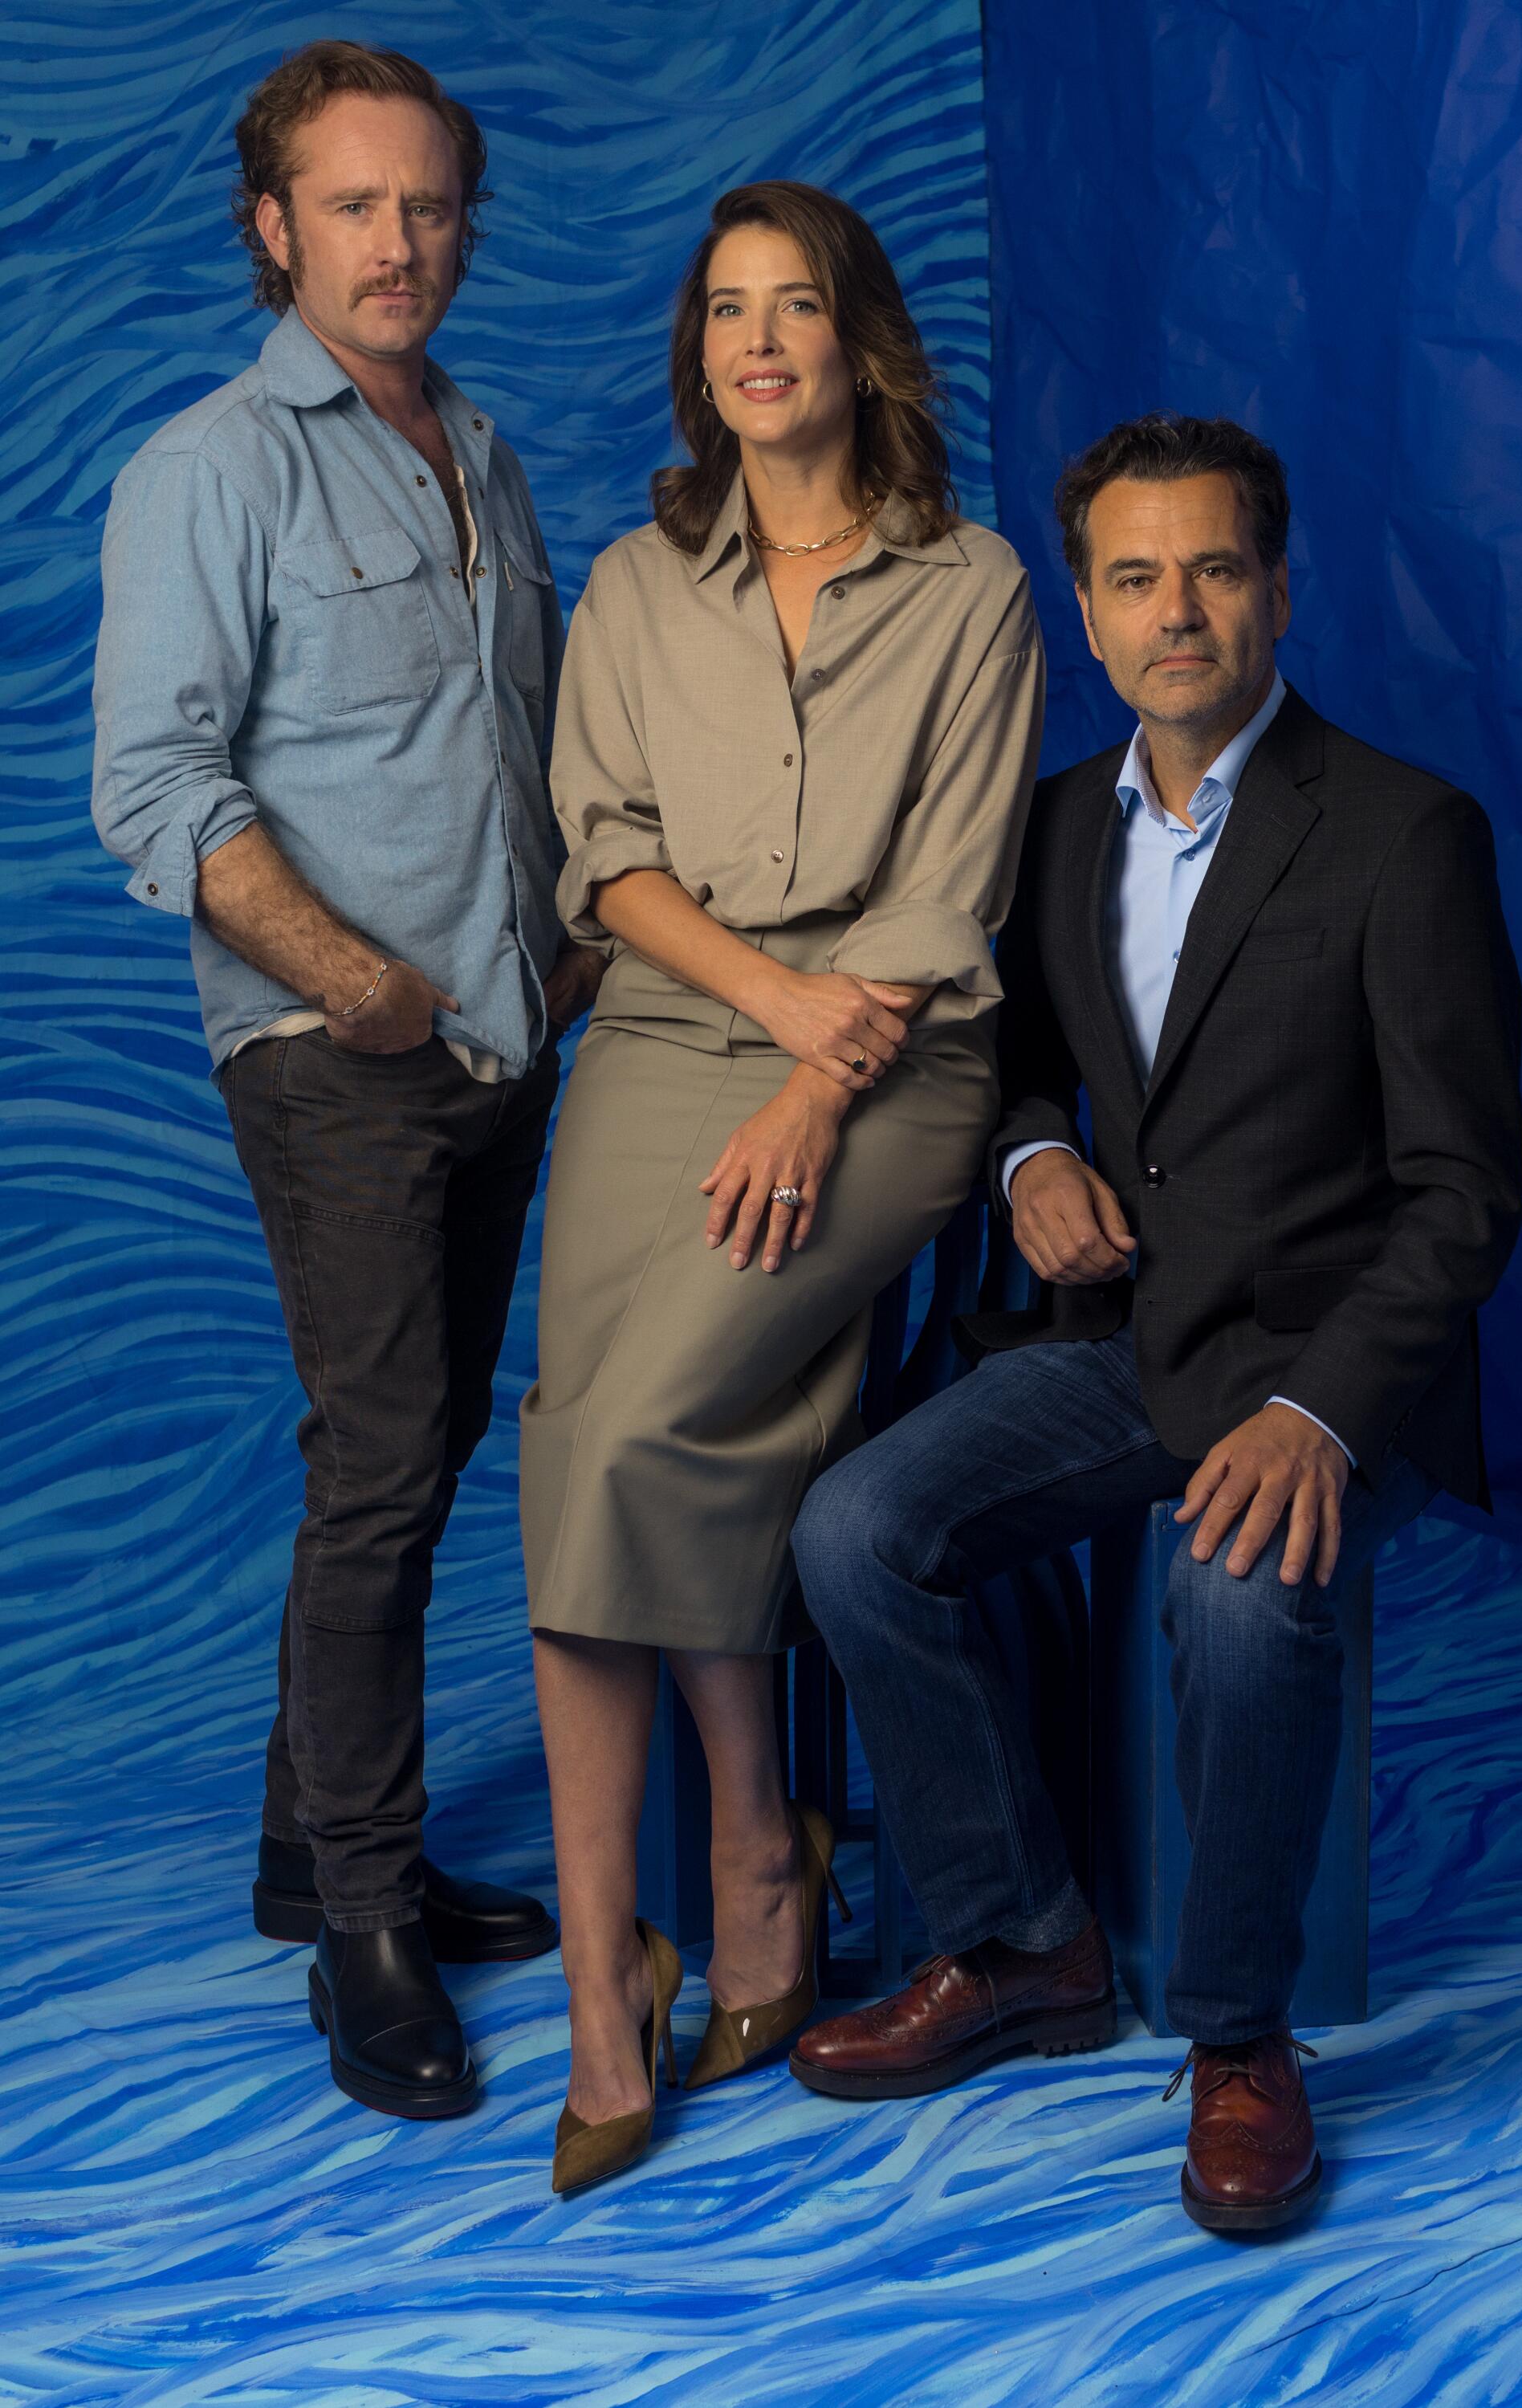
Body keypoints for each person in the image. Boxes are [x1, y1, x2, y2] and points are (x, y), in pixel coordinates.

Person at [787, 412, 1522, 2233]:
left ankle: (1234, 2036)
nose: (1175, 608)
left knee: (1231, 1586)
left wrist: (1327, 1415)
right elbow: (1029, 1053)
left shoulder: (1402, 834)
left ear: (1276, 589)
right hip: (1126, 1346)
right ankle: (1022, 1941)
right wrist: (1034, 1149)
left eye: (1212, 568)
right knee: (855, 1529)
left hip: (1326, 1361)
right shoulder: (1051, 830)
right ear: (1089, 614)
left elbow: (1463, 1195)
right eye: (1135, 577)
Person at [91, 40, 601, 2122]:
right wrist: (360, 989)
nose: (399, 243)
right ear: (271, 225)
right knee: (390, 1470)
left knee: (412, 1443)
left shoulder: (480, 455)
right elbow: (154, 786)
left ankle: (312, 1846)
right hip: (338, 1054)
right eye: (355, 205)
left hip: (502, 1037)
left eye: (430, 206)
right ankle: (368, 1931)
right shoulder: (210, 469)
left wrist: (546, 967)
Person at [519, 180, 1045, 2193]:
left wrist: (824, 1082)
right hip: (665, 1043)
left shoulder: (975, 583)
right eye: (725, 311)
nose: (757, 341)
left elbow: (949, 885)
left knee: (633, 1430)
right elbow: (607, 854)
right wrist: (760, 1022)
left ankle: (734, 1866)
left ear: (858, 341)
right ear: (701, 357)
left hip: (898, 1063)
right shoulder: (637, 582)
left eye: (793, 305)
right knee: (601, 1434)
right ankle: (641, 1945)